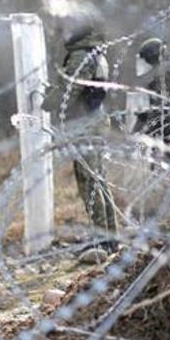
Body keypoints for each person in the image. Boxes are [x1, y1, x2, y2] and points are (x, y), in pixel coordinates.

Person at [51, 23, 119, 258]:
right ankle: (111, 238)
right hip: (96, 122)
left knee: (90, 182)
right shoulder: (96, 52)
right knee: (99, 181)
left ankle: (103, 240)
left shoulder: (80, 55)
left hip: (86, 126)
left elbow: (69, 91)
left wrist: (46, 102)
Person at [133, 37, 170, 149]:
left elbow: (159, 102)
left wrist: (144, 126)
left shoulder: (162, 72)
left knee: (165, 157)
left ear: (151, 57)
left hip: (168, 122)